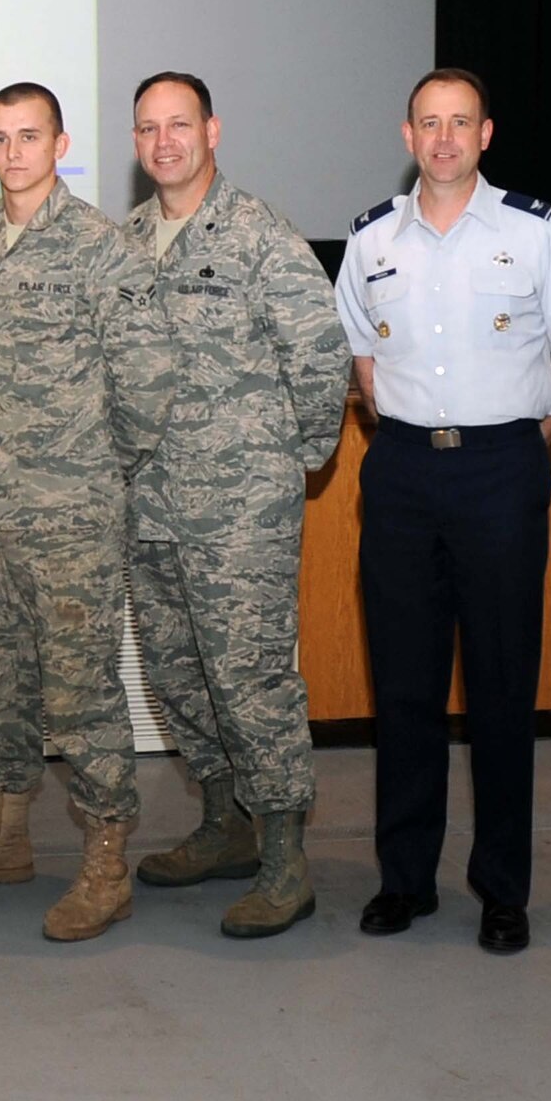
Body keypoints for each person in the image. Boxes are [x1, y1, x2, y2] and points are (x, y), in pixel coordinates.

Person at [337, 68, 551, 955]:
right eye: (429, 123)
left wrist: (527, 445)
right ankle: (405, 881)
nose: (445, 138)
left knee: (499, 687)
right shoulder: (373, 238)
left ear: (485, 134)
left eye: (461, 122)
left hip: (500, 471)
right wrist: (412, 439)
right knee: (405, 688)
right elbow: (363, 369)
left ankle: (502, 889)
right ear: (407, 134)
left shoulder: (537, 231)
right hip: (405, 471)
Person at [123, 71, 352, 937]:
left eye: (179, 124)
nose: (164, 142)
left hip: (239, 512)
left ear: (212, 130)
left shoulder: (259, 234)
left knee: (250, 678)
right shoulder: (130, 240)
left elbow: (320, 353)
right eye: (148, 129)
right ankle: (225, 824)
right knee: (180, 676)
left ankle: (286, 854)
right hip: (151, 504)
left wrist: (289, 462)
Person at [0, 83, 176, 941]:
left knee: (82, 695)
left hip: (72, 517)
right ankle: (7, 835)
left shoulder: (99, 247)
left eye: (29, 137)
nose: (14, 153)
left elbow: (148, 377)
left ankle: (105, 859)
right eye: (0, 139)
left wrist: (92, 466)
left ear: (60, 143)